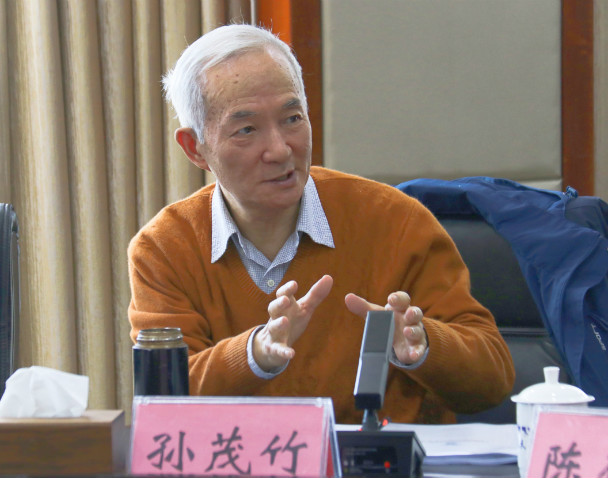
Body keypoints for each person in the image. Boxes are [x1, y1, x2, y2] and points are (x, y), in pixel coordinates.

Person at [128, 24, 515, 424]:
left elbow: (493, 380)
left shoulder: (396, 221)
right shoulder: (164, 249)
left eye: (292, 118)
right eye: (246, 130)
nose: (280, 149)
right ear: (195, 148)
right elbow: (164, 403)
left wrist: (425, 345)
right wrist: (255, 354)